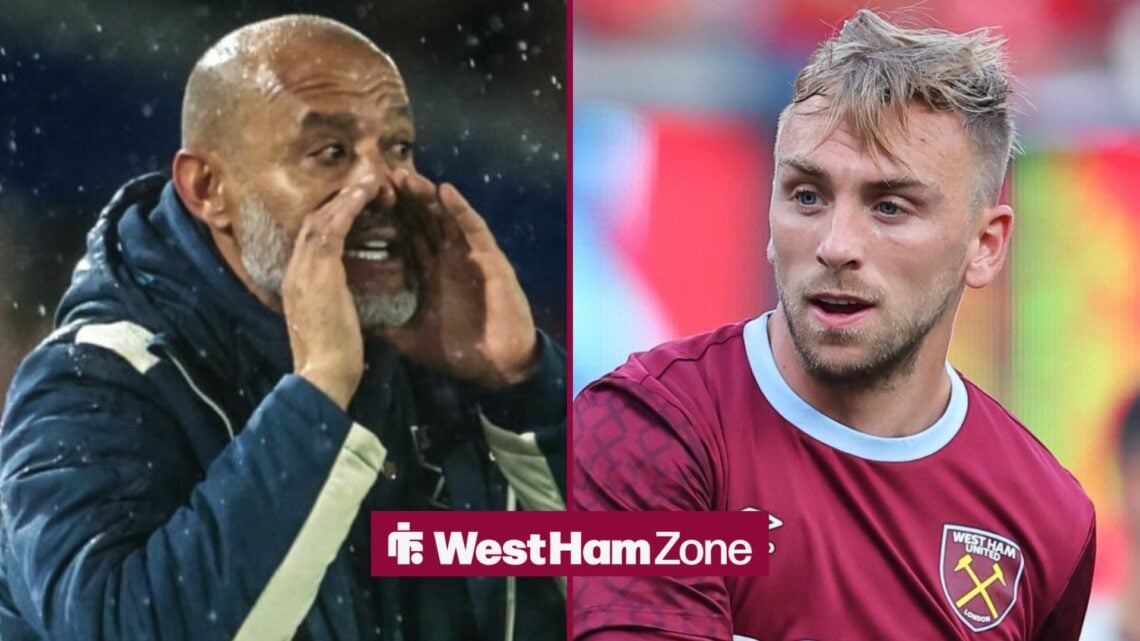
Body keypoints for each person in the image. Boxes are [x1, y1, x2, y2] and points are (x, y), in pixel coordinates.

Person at [0, 14, 566, 641]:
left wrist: (524, 391)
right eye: (331, 153)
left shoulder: (440, 375)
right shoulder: (94, 383)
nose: (381, 184)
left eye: (398, 148)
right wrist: (318, 397)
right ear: (208, 188)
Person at [573, 10, 1094, 640]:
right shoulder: (645, 429)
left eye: (890, 207)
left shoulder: (1047, 520)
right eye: (807, 196)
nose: (835, 244)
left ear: (985, 244)